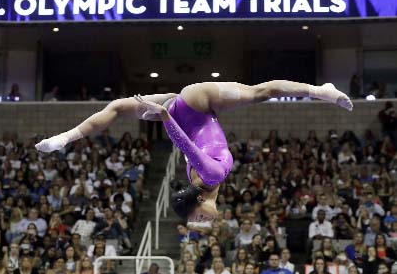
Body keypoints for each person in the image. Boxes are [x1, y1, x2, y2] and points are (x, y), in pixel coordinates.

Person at [36, 81, 353, 221]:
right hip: (181, 105)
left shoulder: (211, 175)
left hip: (194, 102)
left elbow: (186, 144)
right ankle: (63, 139)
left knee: (261, 93)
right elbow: (189, 145)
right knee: (117, 106)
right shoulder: (197, 178)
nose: (203, 222)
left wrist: (164, 116)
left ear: (200, 199)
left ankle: (319, 91)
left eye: (198, 218)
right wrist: (166, 112)